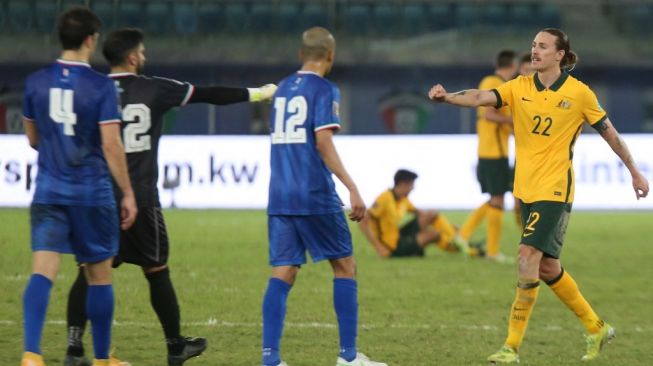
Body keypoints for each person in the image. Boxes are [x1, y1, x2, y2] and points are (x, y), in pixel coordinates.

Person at [428, 28, 649, 364]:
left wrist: (634, 171)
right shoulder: (519, 87)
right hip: (526, 189)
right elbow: (479, 96)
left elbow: (610, 135)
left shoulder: (579, 94)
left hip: (556, 189)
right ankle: (596, 327)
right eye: (533, 45)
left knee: (526, 255)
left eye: (543, 46)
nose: (535, 51)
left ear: (560, 54)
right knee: (547, 267)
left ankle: (511, 347)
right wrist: (447, 97)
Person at [62, 28, 277, 366]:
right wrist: (257, 94)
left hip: (97, 197)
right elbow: (210, 93)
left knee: (88, 271)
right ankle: (175, 345)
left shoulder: (88, 91)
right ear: (133, 57)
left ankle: (74, 348)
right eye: (142, 52)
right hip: (141, 197)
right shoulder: (154, 88)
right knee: (156, 269)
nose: (144, 56)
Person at [261, 27, 386, 366]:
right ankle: (348, 357)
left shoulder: (283, 88)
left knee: (283, 271)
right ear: (330, 56)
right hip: (313, 192)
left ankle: (270, 359)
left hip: (280, 193)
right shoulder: (325, 89)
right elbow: (323, 142)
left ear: (301, 55)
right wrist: (352, 186)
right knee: (345, 265)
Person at [20, 7, 137, 366]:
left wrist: (56, 149)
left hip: (49, 189)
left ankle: (31, 354)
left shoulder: (35, 82)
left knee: (43, 270)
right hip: (90, 193)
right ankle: (102, 359)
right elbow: (111, 145)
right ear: (90, 40)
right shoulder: (101, 86)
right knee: (99, 276)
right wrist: (128, 192)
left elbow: (32, 137)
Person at [458, 50, 517, 262]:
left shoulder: (496, 83)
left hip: (495, 150)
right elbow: (489, 114)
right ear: (512, 65)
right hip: (492, 151)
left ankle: (463, 233)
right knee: (498, 198)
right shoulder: (493, 83)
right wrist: (512, 123)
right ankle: (492, 251)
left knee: (496, 197)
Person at [359, 169, 476, 258]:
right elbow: (364, 221)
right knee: (433, 234)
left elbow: (422, 215)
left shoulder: (402, 199)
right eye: (411, 185)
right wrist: (379, 247)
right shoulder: (384, 199)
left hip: (398, 236)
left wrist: (450, 227)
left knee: (432, 215)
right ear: (403, 184)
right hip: (391, 246)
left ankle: (458, 239)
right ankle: (466, 249)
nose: (413, 188)